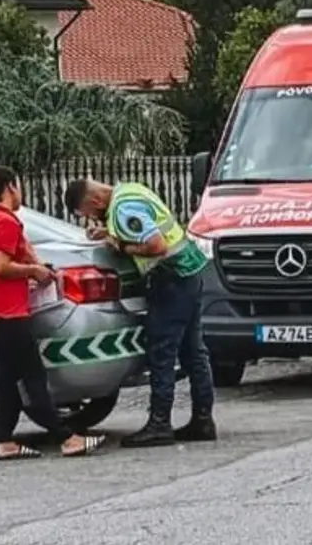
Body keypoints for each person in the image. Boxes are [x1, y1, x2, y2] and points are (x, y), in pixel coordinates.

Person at [63, 179, 216, 448]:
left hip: (169, 279)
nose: (90, 218)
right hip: (189, 273)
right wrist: (110, 236)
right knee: (194, 352)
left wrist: (121, 247)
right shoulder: (130, 190)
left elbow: (156, 246)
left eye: (87, 212)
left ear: (95, 201)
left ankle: (159, 424)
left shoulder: (122, 208)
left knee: (162, 352)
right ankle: (203, 419)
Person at [0, 166, 103, 459]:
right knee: (33, 378)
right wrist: (34, 270)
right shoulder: (4, 222)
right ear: (9, 187)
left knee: (5, 380)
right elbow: (0, 265)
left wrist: (32, 263)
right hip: (10, 314)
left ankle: (3, 441)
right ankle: (67, 438)